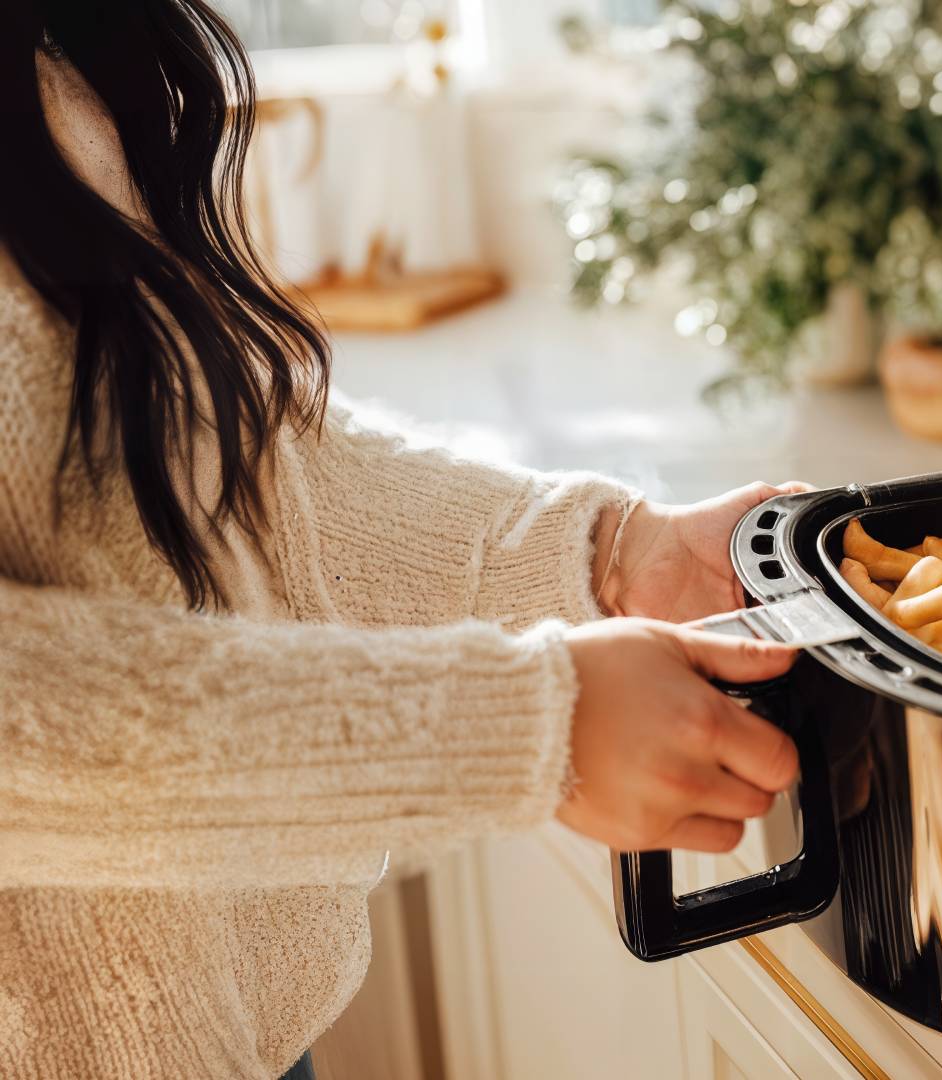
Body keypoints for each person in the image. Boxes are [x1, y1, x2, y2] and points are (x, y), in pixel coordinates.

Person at [0, 3, 805, 1076]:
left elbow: (224, 468)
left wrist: (606, 549)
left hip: (241, 1035)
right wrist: (527, 729)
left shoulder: (52, 59)